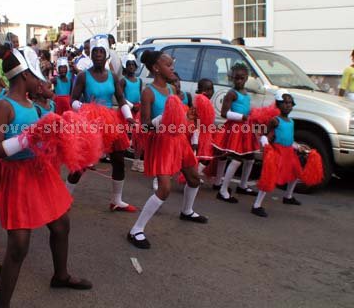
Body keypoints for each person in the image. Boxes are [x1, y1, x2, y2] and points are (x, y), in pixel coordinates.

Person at [0, 46, 91, 307]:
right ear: (24, 77)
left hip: (40, 173)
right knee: (19, 244)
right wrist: (28, 138)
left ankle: (61, 275)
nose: (41, 82)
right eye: (37, 77)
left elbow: (43, 138)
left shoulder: (33, 106)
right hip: (17, 177)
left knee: (61, 224)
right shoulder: (3, 105)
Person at [127, 50, 206, 250]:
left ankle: (187, 211)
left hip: (178, 140)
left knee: (194, 179)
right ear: (156, 68)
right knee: (164, 189)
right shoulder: (148, 92)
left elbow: (178, 117)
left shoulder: (172, 89)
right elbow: (144, 126)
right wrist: (163, 117)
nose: (172, 68)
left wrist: (188, 117)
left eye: (172, 65)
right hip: (161, 143)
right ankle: (136, 230)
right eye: (168, 65)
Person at [67, 34, 137, 212]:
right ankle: (65, 198)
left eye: (101, 52)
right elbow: (73, 100)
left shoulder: (113, 76)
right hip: (90, 122)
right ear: (91, 55)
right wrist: (87, 108)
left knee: (119, 160)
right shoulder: (83, 76)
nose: (98, 54)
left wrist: (128, 117)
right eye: (95, 51)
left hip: (110, 122)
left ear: (106, 55)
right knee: (81, 163)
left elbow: (120, 99)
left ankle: (117, 200)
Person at [254, 90, 308, 217]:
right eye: (284, 102)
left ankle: (288, 196)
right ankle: (256, 205)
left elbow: (289, 140)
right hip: (277, 152)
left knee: (295, 172)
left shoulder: (291, 121)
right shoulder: (275, 121)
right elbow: (264, 135)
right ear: (278, 104)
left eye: (290, 102)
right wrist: (267, 147)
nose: (288, 105)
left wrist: (298, 146)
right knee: (269, 177)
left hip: (289, 152)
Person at [212, 63, 260, 203]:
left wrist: (252, 116)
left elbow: (245, 109)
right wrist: (241, 117)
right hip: (235, 128)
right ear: (232, 78)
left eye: (242, 78)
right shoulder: (231, 93)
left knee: (250, 157)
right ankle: (222, 190)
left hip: (245, 128)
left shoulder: (246, 93)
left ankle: (243, 185)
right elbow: (224, 113)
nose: (239, 81)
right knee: (236, 157)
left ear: (246, 78)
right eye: (236, 78)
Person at [119, 54, 143, 172]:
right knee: (125, 134)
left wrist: (138, 106)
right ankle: (120, 158)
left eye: (133, 65)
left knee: (137, 135)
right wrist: (131, 106)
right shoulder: (123, 81)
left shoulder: (139, 80)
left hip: (137, 110)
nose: (131, 67)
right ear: (125, 67)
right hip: (127, 110)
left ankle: (137, 161)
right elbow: (120, 97)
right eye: (129, 65)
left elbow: (139, 94)